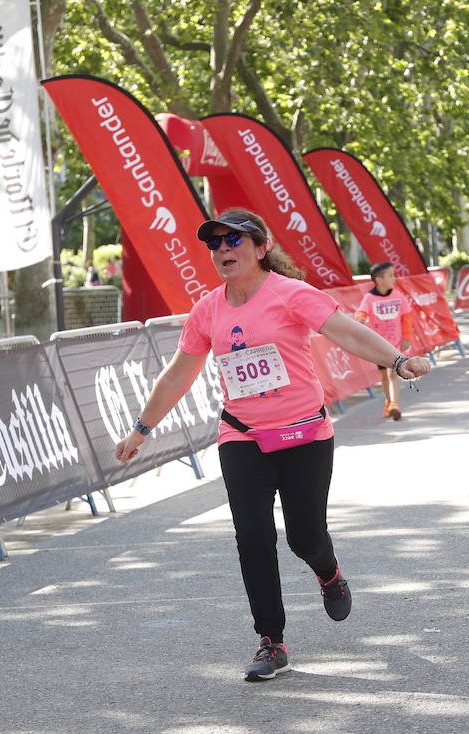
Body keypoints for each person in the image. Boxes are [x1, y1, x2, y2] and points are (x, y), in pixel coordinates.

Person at [113, 209, 431, 682]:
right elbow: (180, 372)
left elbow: (344, 331)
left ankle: (329, 573)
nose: (223, 249)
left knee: (305, 537)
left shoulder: (291, 294)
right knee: (253, 538)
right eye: (215, 243)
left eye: (233, 240)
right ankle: (271, 641)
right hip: (242, 436)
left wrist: (398, 360)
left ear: (261, 248)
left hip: (304, 434)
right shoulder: (208, 310)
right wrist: (141, 428)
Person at [354, 261, 415, 420]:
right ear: (379, 280)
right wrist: (360, 319)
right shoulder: (369, 298)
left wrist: (407, 336)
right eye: (390, 275)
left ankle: (394, 403)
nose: (394, 278)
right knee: (384, 375)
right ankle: (389, 403)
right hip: (378, 344)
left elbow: (406, 316)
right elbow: (361, 313)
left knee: (393, 372)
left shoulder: (398, 295)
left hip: (395, 343)